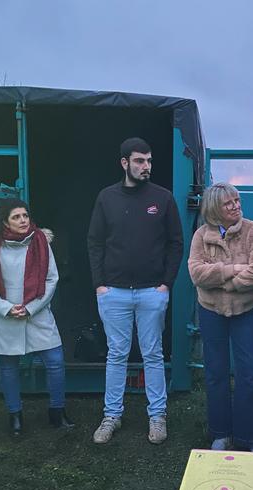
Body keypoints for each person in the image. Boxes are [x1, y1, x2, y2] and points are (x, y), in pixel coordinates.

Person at [88, 137, 183, 445]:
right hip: (113, 291)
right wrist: (99, 284)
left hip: (151, 292)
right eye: (140, 161)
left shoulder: (163, 197)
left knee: (153, 354)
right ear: (124, 163)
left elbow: (175, 242)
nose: (146, 166)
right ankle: (111, 416)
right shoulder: (106, 197)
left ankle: (157, 417)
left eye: (150, 161)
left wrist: (166, 283)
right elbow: (95, 241)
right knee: (116, 354)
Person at [0, 198, 74, 437]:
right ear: (4, 222)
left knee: (55, 362)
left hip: (37, 313)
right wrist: (6, 308)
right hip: (5, 316)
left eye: (25, 216)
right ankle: (15, 416)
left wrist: (31, 308)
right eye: (16, 217)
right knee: (8, 368)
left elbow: (52, 278)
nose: (22, 220)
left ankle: (57, 412)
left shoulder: (40, 241)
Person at [187, 182, 253, 452]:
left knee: (249, 374)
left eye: (237, 200)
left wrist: (225, 282)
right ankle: (220, 432)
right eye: (229, 203)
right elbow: (196, 273)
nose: (236, 206)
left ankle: (251, 438)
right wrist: (233, 269)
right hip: (211, 312)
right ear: (214, 209)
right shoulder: (201, 235)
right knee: (215, 373)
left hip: (245, 311)